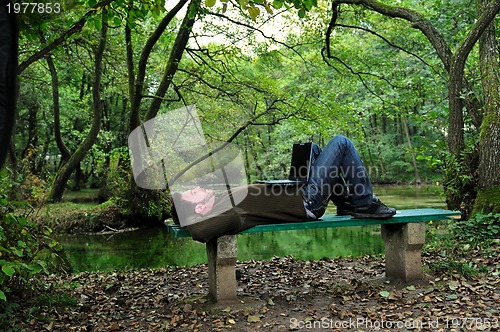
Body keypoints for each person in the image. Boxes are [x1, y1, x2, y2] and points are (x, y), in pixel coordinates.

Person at [171, 135, 396, 243]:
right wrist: (191, 217)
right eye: (193, 192)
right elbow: (200, 232)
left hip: (300, 192)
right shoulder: (223, 215)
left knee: (314, 150)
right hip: (307, 202)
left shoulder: (219, 199)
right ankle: (364, 203)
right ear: (199, 207)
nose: (198, 187)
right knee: (341, 143)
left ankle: (345, 203)